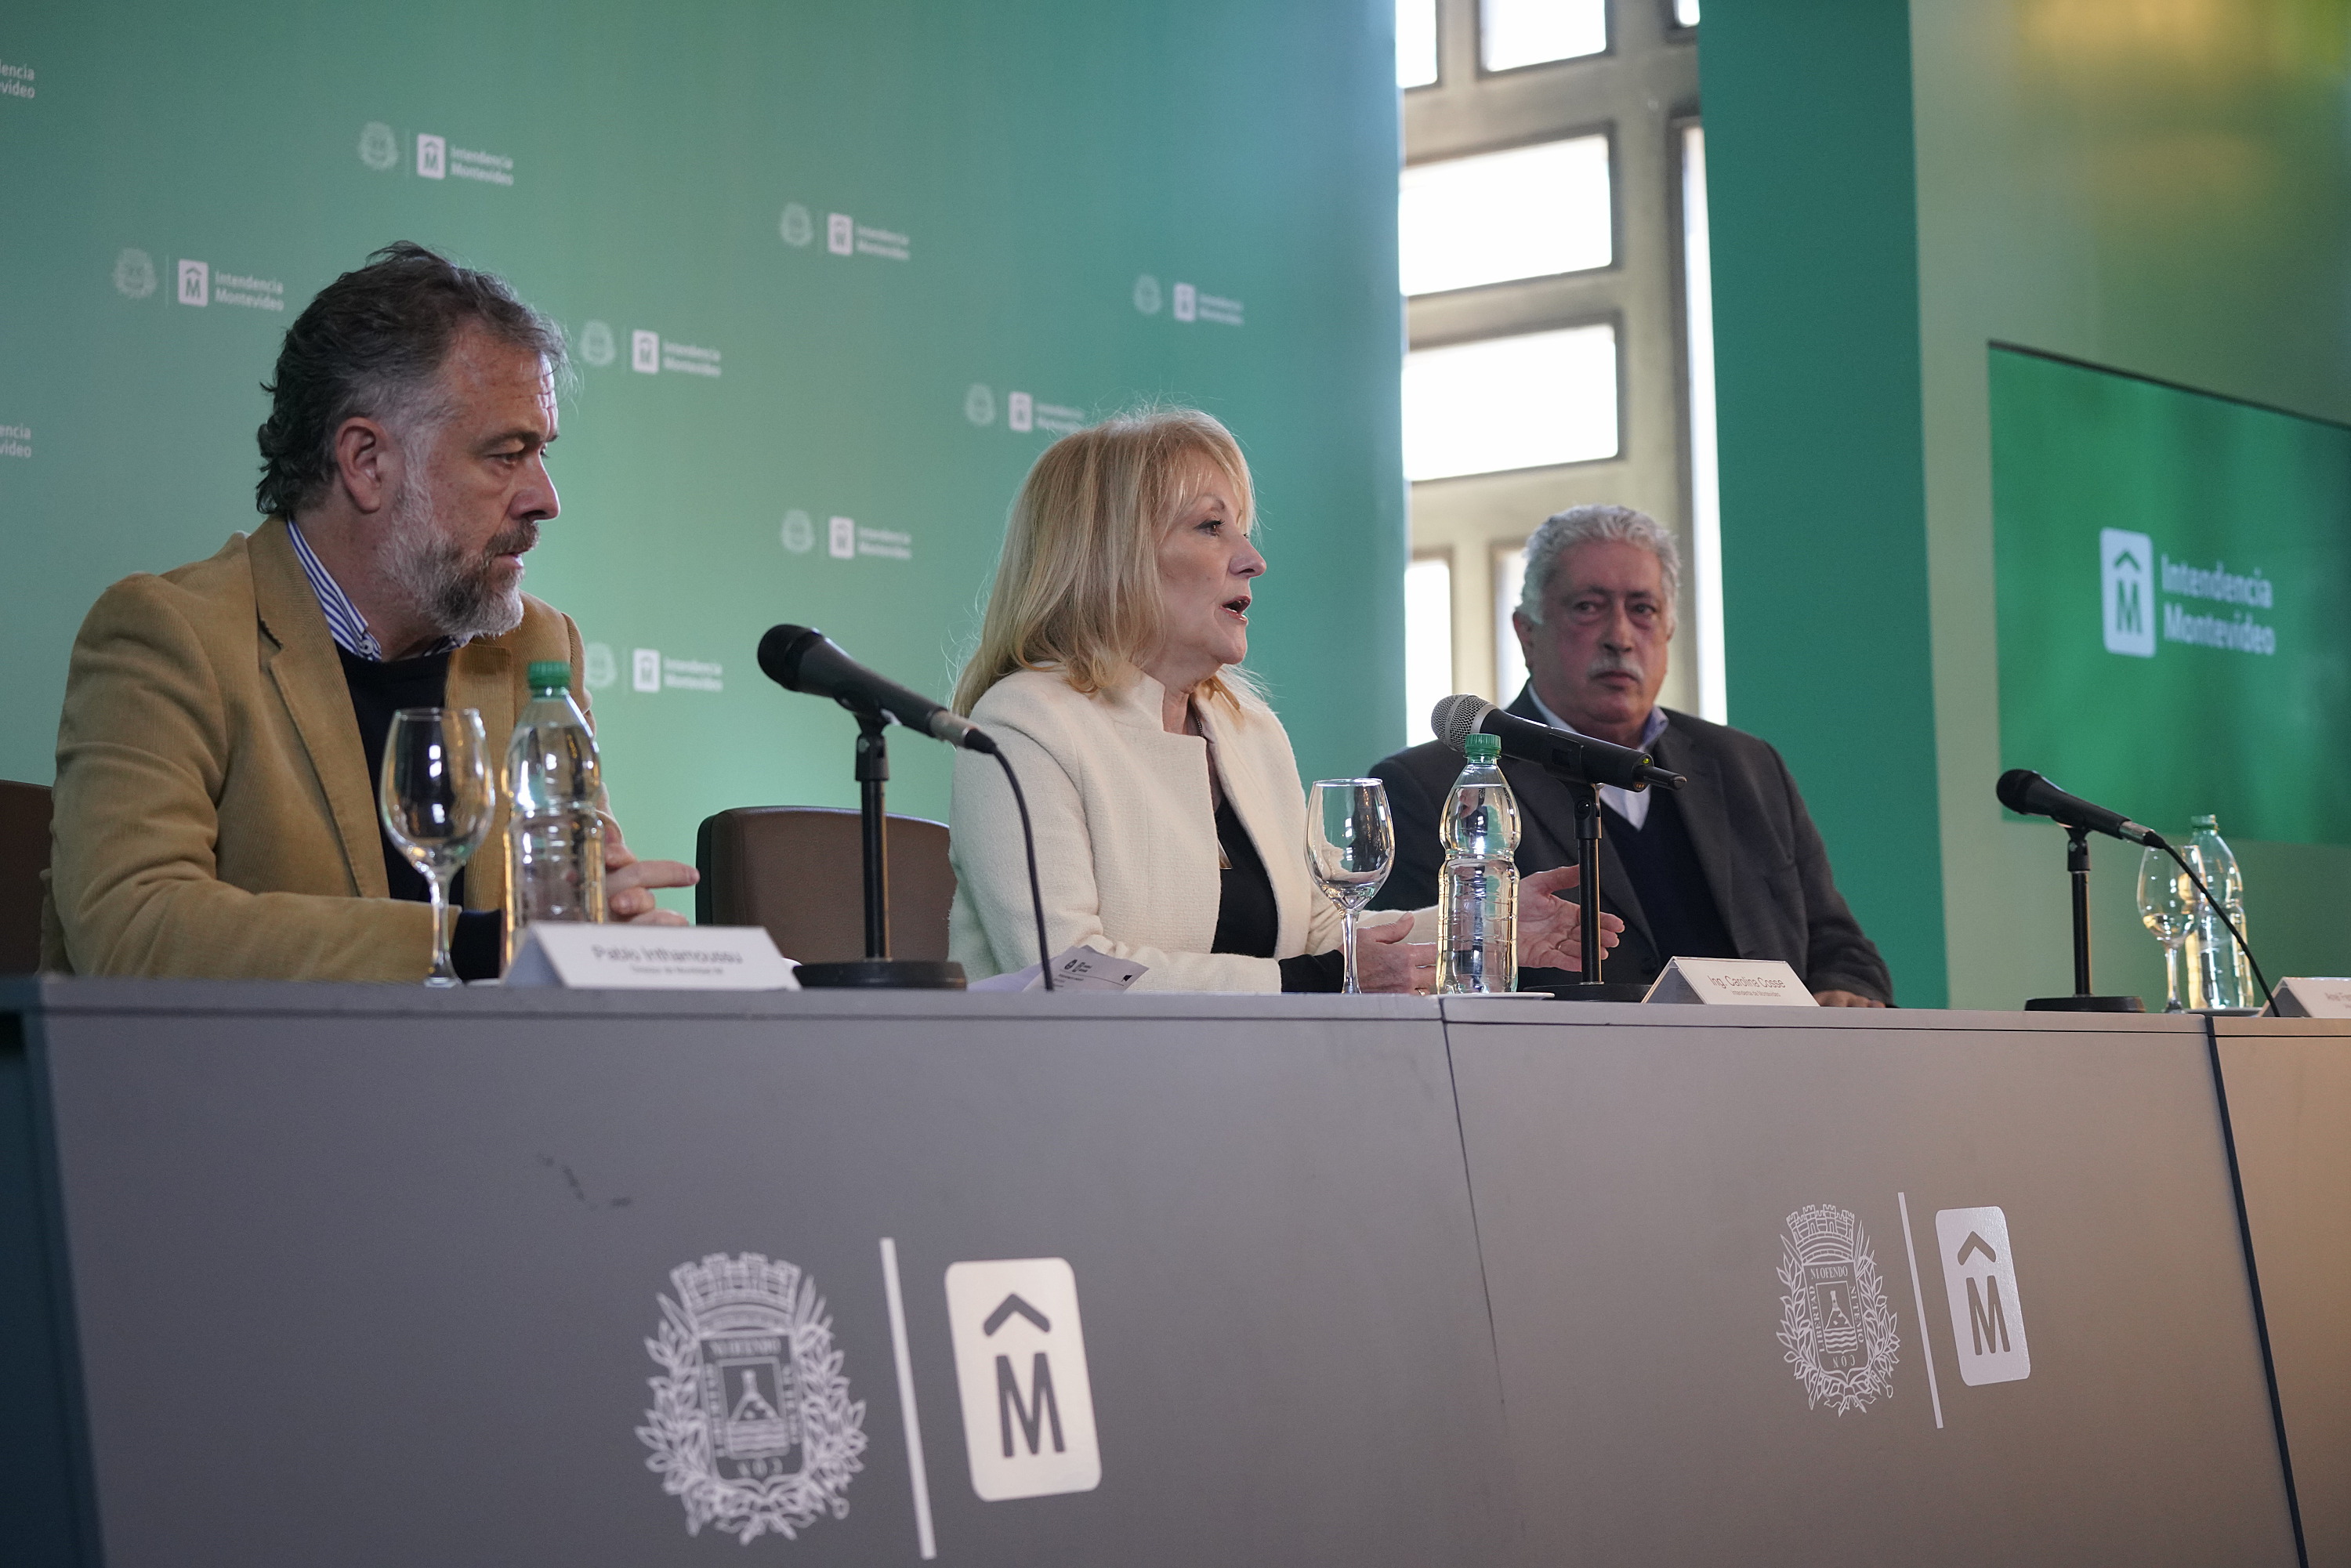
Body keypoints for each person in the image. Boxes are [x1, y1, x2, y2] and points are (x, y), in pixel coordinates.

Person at [42, 242, 697, 980]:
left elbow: (576, 917)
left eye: (542, 452)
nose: (545, 498)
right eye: (506, 455)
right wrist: (483, 944)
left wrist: (608, 931)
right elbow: (134, 929)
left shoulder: (534, 649)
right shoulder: (169, 636)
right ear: (366, 462)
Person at [946, 407, 1616, 992]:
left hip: (1249, 1088)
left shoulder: (1246, 729)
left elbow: (1323, 931)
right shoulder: (1024, 722)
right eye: (1211, 527)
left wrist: (1477, 926)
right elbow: (1069, 972)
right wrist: (1312, 983)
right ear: (1111, 553)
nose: (1252, 559)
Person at [1371, 505, 1891, 1005]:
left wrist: (1847, 988)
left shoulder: (1747, 767)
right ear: (1527, 633)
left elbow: (1840, 947)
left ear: (1667, 630)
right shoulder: (1429, 786)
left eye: (1642, 609)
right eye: (1588, 608)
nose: (1620, 637)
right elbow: (1407, 978)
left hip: (1766, 1078)